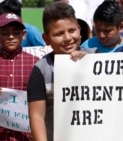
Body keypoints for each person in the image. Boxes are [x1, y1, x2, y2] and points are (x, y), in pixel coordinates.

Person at [27, 2, 96, 141]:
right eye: (59, 34)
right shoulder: (41, 70)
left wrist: (89, 63)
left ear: (79, 29)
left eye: (71, 30)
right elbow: (37, 116)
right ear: (46, 39)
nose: (67, 38)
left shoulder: (97, 58)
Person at [0, 12, 40, 141]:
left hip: (25, 136)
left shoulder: (36, 63)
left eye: (16, 33)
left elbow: (42, 100)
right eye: (5, 33)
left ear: (24, 35)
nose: (11, 37)